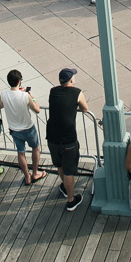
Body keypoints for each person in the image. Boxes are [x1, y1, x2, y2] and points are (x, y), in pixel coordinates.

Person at [48, 67, 91, 211]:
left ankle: (66, 188)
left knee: (60, 166)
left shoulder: (53, 92)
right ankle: (71, 200)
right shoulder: (77, 92)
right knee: (69, 172)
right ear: (71, 80)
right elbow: (85, 108)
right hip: (68, 140)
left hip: (52, 138)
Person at [1, 69, 45, 185]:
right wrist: (32, 96)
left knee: (21, 153)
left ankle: (27, 177)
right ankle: (35, 172)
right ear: (19, 81)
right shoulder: (25, 96)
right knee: (35, 148)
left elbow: (1, 105)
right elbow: (37, 109)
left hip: (14, 130)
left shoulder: (4, 94)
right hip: (28, 128)